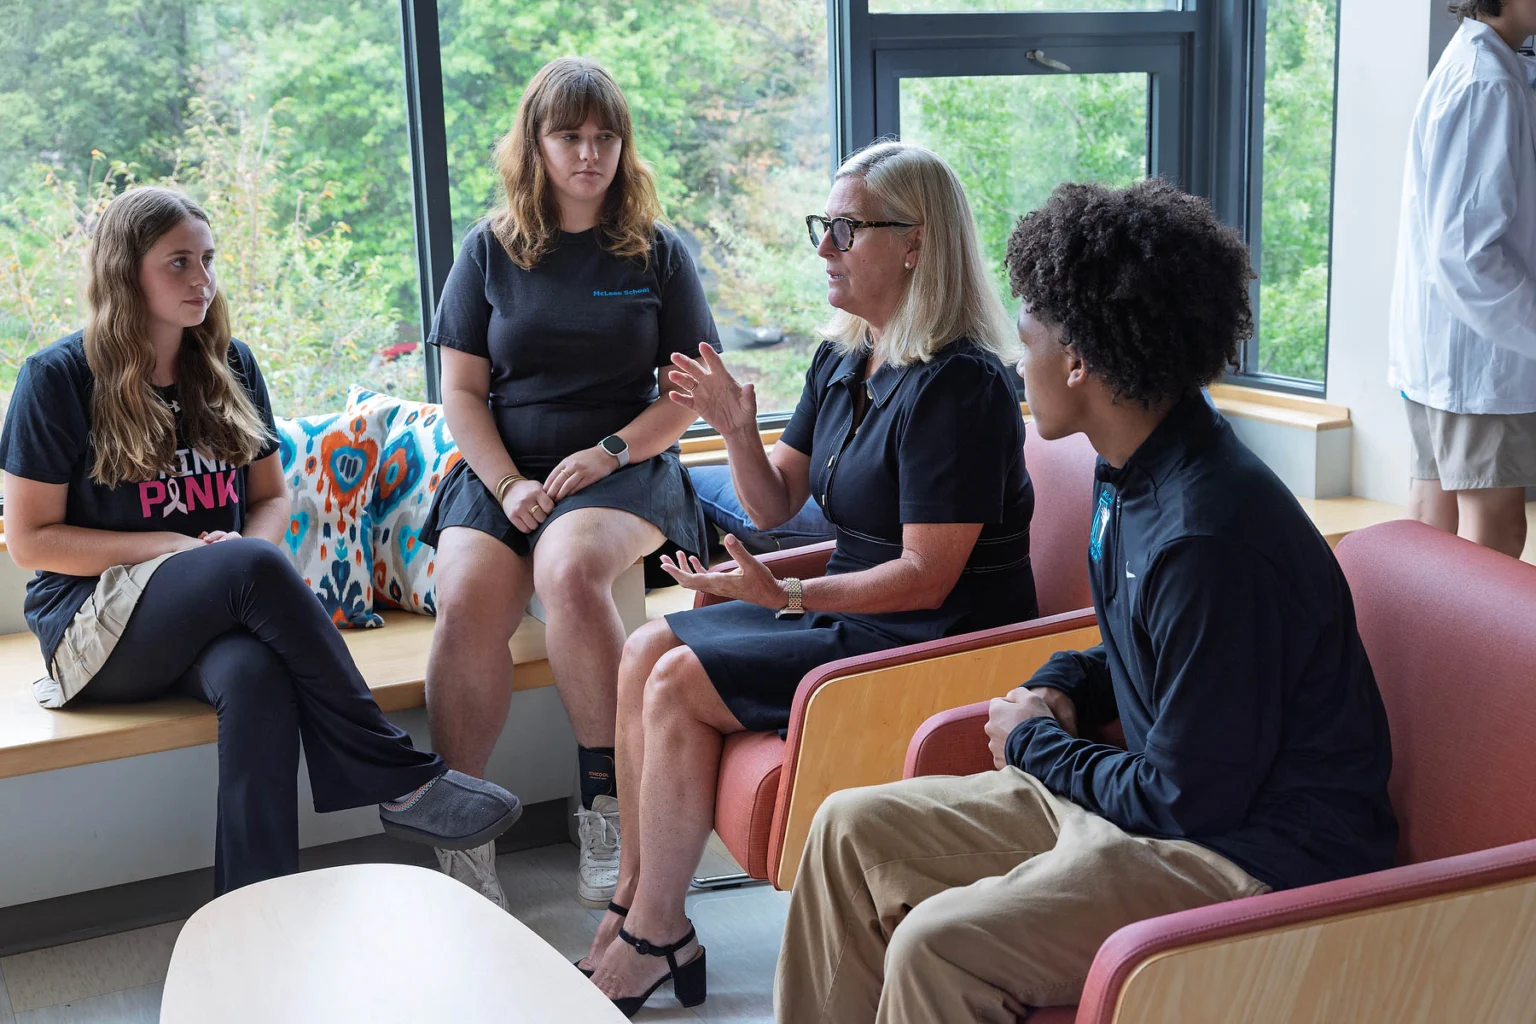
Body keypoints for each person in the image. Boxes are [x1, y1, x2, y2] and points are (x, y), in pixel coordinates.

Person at [774, 179, 1401, 1023]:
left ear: (1079, 362)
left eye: (1026, 338)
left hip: (1246, 853)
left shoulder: (1207, 536)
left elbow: (1188, 798)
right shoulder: (1127, 469)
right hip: (1155, 806)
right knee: (847, 830)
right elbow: (1146, 651)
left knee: (939, 944)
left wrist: (1034, 742)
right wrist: (1064, 682)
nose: (1014, 360)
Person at [580, 141, 1038, 1016]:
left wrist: (786, 595)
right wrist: (734, 428)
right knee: (644, 648)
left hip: (931, 632)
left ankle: (655, 933)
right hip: (850, 605)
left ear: (916, 243)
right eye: (821, 227)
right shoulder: (842, 357)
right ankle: (639, 910)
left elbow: (927, 578)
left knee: (674, 677)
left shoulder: (961, 387)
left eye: (844, 229)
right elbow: (779, 502)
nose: (824, 248)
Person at [0, 186, 521, 895]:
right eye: (178, 264)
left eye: (207, 260)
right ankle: (399, 781)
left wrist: (238, 551)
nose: (203, 281)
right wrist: (173, 548)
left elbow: (271, 500)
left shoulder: (228, 365)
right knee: (245, 563)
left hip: (206, 609)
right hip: (93, 631)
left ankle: (255, 906)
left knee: (257, 675)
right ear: (126, 273)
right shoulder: (58, 378)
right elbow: (32, 542)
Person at [418, 57, 713, 909]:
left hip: (622, 470)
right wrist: (508, 484)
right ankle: (461, 826)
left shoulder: (658, 253)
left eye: (605, 136)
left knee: (570, 568)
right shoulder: (488, 249)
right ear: (535, 146)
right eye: (569, 137)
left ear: (622, 145)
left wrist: (613, 450)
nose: (589, 153)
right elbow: (462, 395)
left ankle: (606, 805)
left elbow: (685, 397)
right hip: (502, 468)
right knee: (467, 590)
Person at [1390, 0, 1536, 558]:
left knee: (1432, 517)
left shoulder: (1477, 62)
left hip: (1447, 349)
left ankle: (1399, 648)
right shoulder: (1487, 82)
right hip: (1480, 357)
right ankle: (1464, 651)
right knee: (1494, 536)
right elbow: (1470, 256)